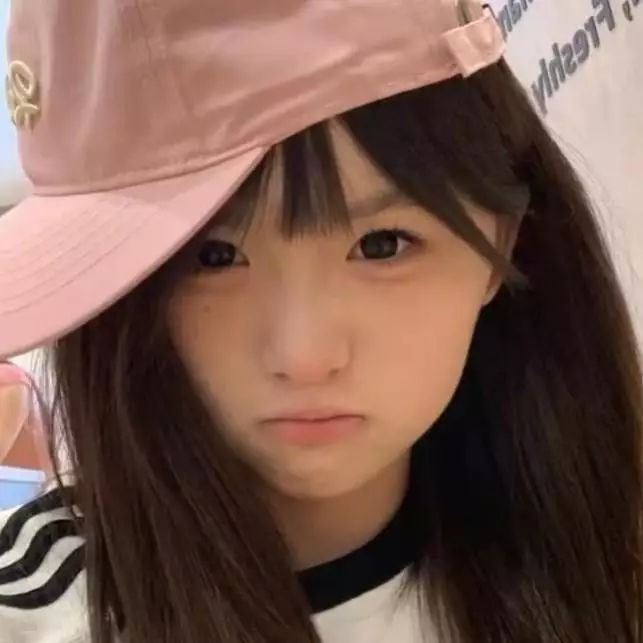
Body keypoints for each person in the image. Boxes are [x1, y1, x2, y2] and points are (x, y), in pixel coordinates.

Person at [0, 0, 641, 642]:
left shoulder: (605, 554)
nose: (305, 355)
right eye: (213, 256)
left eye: (383, 245)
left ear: (503, 241)